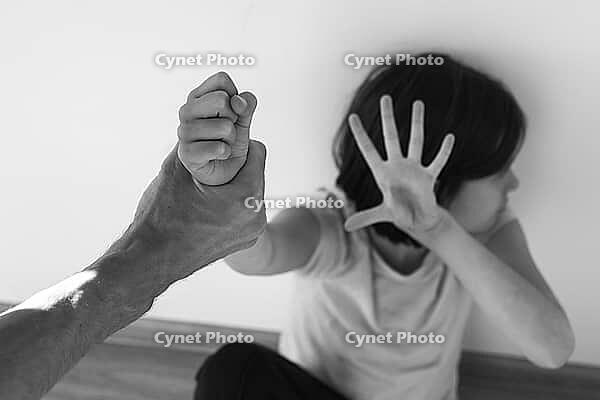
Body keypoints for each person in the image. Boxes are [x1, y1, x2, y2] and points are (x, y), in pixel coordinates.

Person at [200, 54, 576, 400]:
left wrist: (437, 230)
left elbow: (552, 349)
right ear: (442, 177)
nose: (514, 183)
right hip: (316, 392)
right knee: (234, 369)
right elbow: (259, 258)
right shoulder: (332, 221)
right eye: (498, 172)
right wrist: (227, 197)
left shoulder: (487, 232)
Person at [0, 71, 266, 400]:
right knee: (234, 370)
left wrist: (167, 240)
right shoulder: (328, 226)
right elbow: (265, 252)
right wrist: (214, 214)